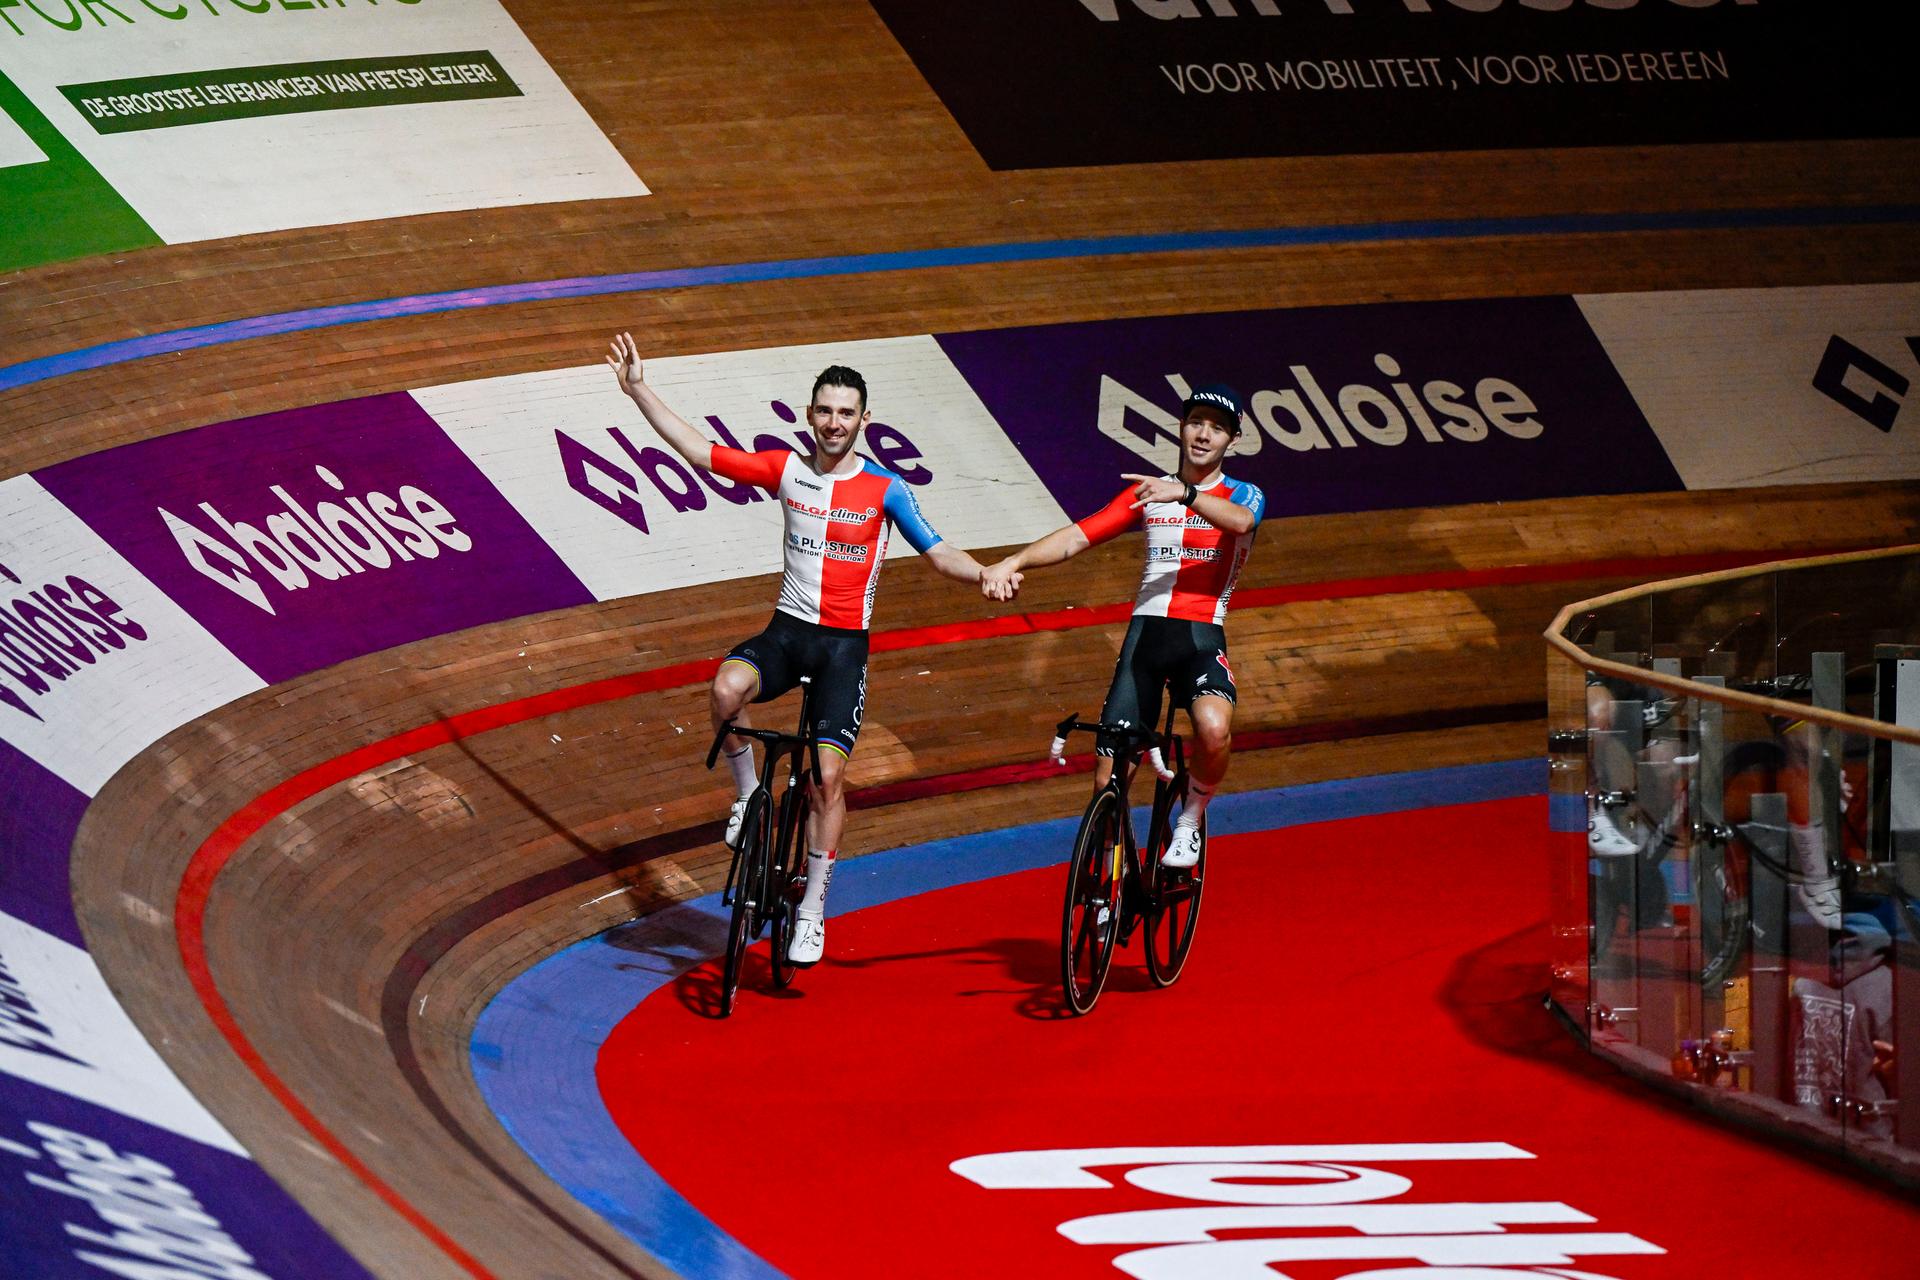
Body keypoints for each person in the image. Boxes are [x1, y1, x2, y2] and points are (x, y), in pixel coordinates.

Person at [606, 333, 1015, 964]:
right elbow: (699, 450)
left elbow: (938, 552)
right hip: (786, 634)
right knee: (725, 689)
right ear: (808, 414)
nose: (833, 422)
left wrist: (984, 571)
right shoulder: (786, 469)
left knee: (826, 778)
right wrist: (637, 391)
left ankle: (814, 908)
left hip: (842, 651)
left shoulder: (886, 491)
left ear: (864, 421)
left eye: (846, 413)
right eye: (824, 410)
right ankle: (747, 794)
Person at [982, 384, 1262, 868]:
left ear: (1231, 442)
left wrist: (1187, 492)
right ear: (1181, 426)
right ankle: (1110, 880)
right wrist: (1015, 560)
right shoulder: (1149, 493)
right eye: (1196, 422)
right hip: (1145, 641)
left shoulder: (1243, 494)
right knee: (1106, 782)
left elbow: (1240, 523)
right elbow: (1077, 536)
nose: (1203, 435)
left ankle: (1190, 819)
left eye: (1216, 429)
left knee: (1214, 731)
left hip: (1199, 635)